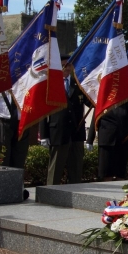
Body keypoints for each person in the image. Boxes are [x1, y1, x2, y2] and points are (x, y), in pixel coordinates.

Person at [39, 57, 91, 185]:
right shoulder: (51, 85)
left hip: (77, 130)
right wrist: (44, 135)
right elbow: (43, 111)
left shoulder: (78, 84)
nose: (66, 68)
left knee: (76, 167)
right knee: (56, 167)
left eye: (68, 65)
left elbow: (90, 102)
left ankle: (76, 191)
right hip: (58, 131)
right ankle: (51, 191)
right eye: (63, 65)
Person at [87, 101, 128, 181]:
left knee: (120, 172)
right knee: (106, 172)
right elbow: (95, 118)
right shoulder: (103, 98)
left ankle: (120, 192)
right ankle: (106, 192)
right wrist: (90, 139)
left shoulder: (126, 98)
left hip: (123, 139)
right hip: (106, 140)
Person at [0, 91, 30, 169]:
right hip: (3, 125)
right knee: (2, 162)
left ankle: (16, 181)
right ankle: (2, 180)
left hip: (22, 125)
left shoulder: (23, 83)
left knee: (19, 162)